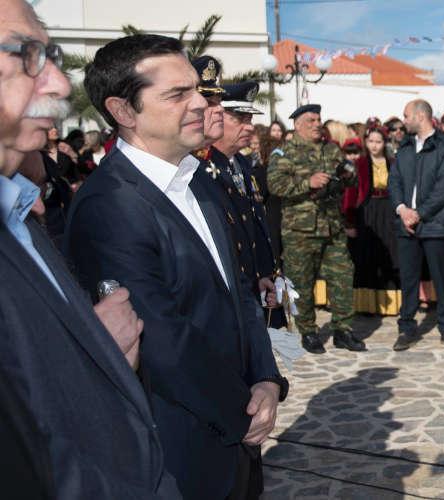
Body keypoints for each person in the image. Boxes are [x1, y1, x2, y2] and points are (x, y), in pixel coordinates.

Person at [67, 34, 289, 499]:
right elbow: (162, 339)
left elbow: (240, 292)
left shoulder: (201, 183)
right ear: (124, 111)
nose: (201, 104)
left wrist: (268, 379)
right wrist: (243, 412)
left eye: (198, 90)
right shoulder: (109, 205)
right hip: (179, 451)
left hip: (239, 436)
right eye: (177, 94)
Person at [0, 4, 186, 496]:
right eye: (28, 55)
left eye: (52, 55)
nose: (60, 84)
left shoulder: (19, 212)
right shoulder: (101, 202)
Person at [268, 103, 360, 354]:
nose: (318, 124)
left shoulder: (331, 150)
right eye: (311, 120)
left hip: (332, 227)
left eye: (319, 119)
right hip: (300, 231)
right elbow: (275, 185)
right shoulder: (284, 152)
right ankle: (308, 331)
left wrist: (349, 173)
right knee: (302, 283)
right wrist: (307, 182)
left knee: (342, 277)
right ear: (297, 125)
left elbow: (350, 180)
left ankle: (343, 329)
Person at [198, 80, 287, 331]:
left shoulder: (242, 164)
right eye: (240, 119)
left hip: (255, 287)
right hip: (229, 295)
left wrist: (265, 274)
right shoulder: (201, 168)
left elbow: (256, 225)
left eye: (250, 119)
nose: (249, 127)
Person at [390, 99, 444, 350]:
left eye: (406, 115)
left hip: (436, 224)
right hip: (406, 225)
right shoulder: (405, 146)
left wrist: (418, 213)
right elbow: (395, 181)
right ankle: (406, 327)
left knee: (441, 278)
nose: (404, 120)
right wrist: (402, 210)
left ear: (420, 116)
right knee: (408, 279)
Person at [347, 126, 401, 316]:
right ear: (366, 143)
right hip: (367, 210)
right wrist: (350, 221)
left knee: (389, 252)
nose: (375, 146)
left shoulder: (393, 162)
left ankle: (392, 300)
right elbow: (351, 193)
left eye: (378, 142)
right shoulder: (359, 163)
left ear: (384, 143)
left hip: (387, 209)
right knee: (367, 253)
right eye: (371, 142)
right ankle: (367, 303)